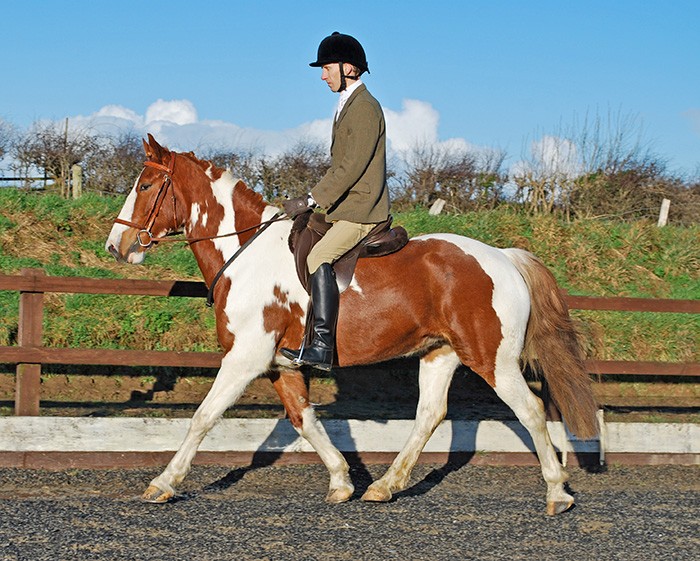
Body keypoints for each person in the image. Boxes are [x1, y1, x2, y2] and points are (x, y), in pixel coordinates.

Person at [280, 31, 390, 371]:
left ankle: (322, 346)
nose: (323, 74)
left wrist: (312, 198)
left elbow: (351, 166)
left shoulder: (365, 108)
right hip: (345, 206)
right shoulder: (348, 106)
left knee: (319, 255)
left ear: (350, 69)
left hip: (362, 210)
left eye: (328, 67)